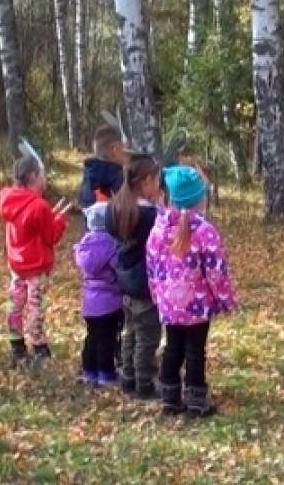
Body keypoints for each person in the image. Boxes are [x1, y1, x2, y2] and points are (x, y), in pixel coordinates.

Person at [147, 165, 237, 417]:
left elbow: (151, 266)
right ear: (199, 199)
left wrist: (157, 295)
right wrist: (225, 299)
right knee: (195, 349)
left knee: (173, 346)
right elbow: (216, 271)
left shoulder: (158, 229)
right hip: (197, 305)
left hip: (169, 305)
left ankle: (169, 396)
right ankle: (196, 399)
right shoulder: (205, 232)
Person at [0, 155, 70, 368]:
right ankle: (39, 347)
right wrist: (59, 220)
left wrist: (50, 215)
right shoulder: (39, 206)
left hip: (16, 266)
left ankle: (16, 345)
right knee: (34, 306)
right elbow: (51, 236)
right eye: (42, 175)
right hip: (36, 268)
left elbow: (30, 229)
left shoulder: (9, 200)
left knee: (15, 303)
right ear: (33, 177)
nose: (45, 179)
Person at [104, 153, 163, 399]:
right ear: (147, 181)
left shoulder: (115, 207)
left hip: (125, 278)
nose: (160, 186)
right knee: (147, 336)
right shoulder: (149, 216)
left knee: (131, 331)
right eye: (158, 180)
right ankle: (144, 382)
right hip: (145, 283)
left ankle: (127, 376)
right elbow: (162, 239)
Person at [74, 202, 123, 387]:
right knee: (107, 340)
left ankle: (89, 371)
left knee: (92, 337)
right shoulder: (111, 245)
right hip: (110, 302)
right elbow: (118, 268)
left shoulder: (85, 245)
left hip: (89, 302)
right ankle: (106, 373)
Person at [78, 125, 125, 209]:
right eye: (122, 148)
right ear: (114, 150)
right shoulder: (117, 178)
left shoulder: (88, 177)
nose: (124, 153)